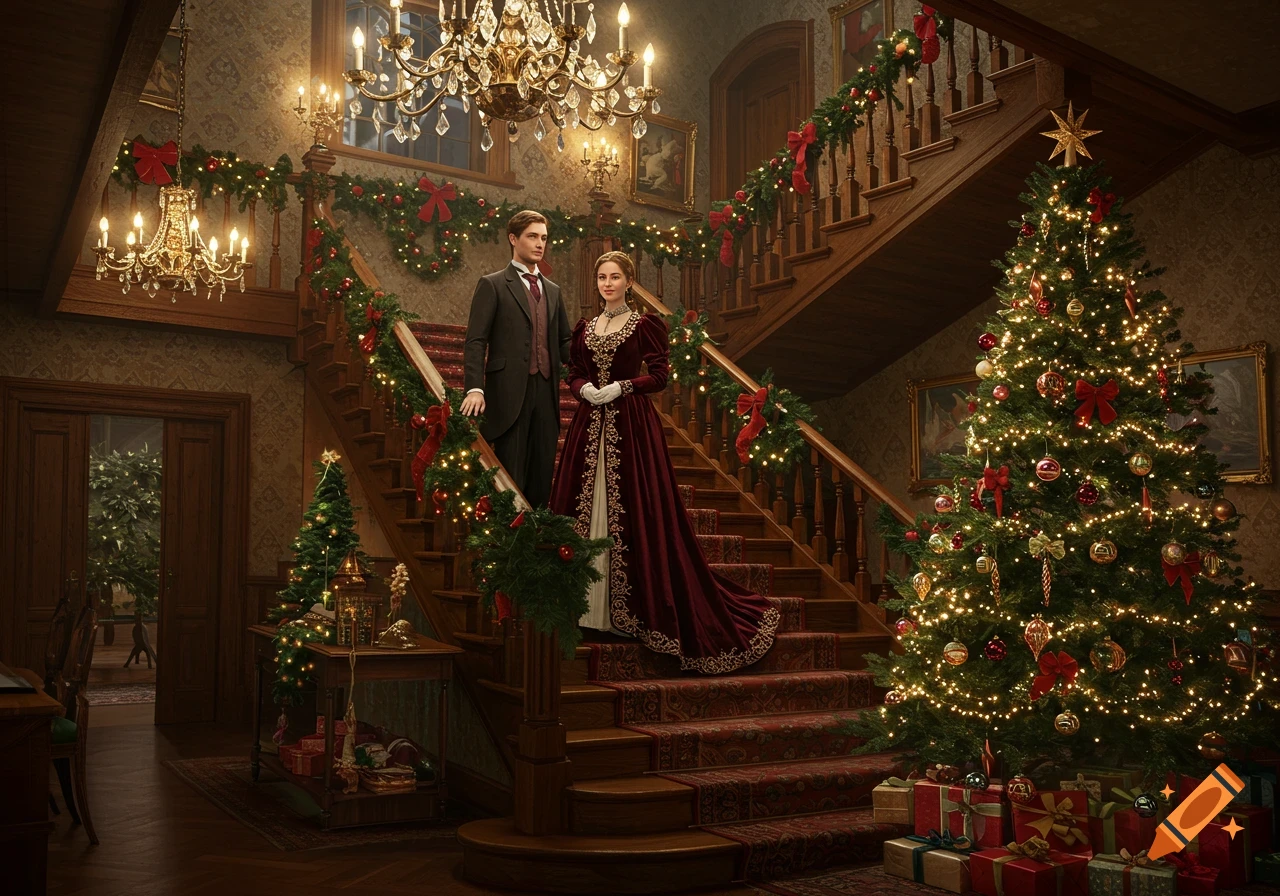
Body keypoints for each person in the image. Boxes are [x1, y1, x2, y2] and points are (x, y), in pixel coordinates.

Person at [548, 251, 779, 673]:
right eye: (601, 277)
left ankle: (626, 611)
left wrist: (621, 387)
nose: (607, 283)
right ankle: (584, 608)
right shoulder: (585, 326)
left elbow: (659, 375)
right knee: (580, 507)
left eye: (615, 277)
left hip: (631, 426)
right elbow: (574, 369)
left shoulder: (645, 325)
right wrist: (583, 390)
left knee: (636, 511)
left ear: (629, 282)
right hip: (589, 424)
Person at [460, 210, 573, 508]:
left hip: (547, 394)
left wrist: (594, 364)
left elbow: (564, 342)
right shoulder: (493, 284)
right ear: (513, 238)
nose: (540, 244)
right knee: (511, 479)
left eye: (544, 238)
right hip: (509, 395)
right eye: (532, 236)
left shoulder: (553, 290)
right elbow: (475, 341)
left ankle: (537, 545)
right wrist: (475, 387)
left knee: (541, 476)